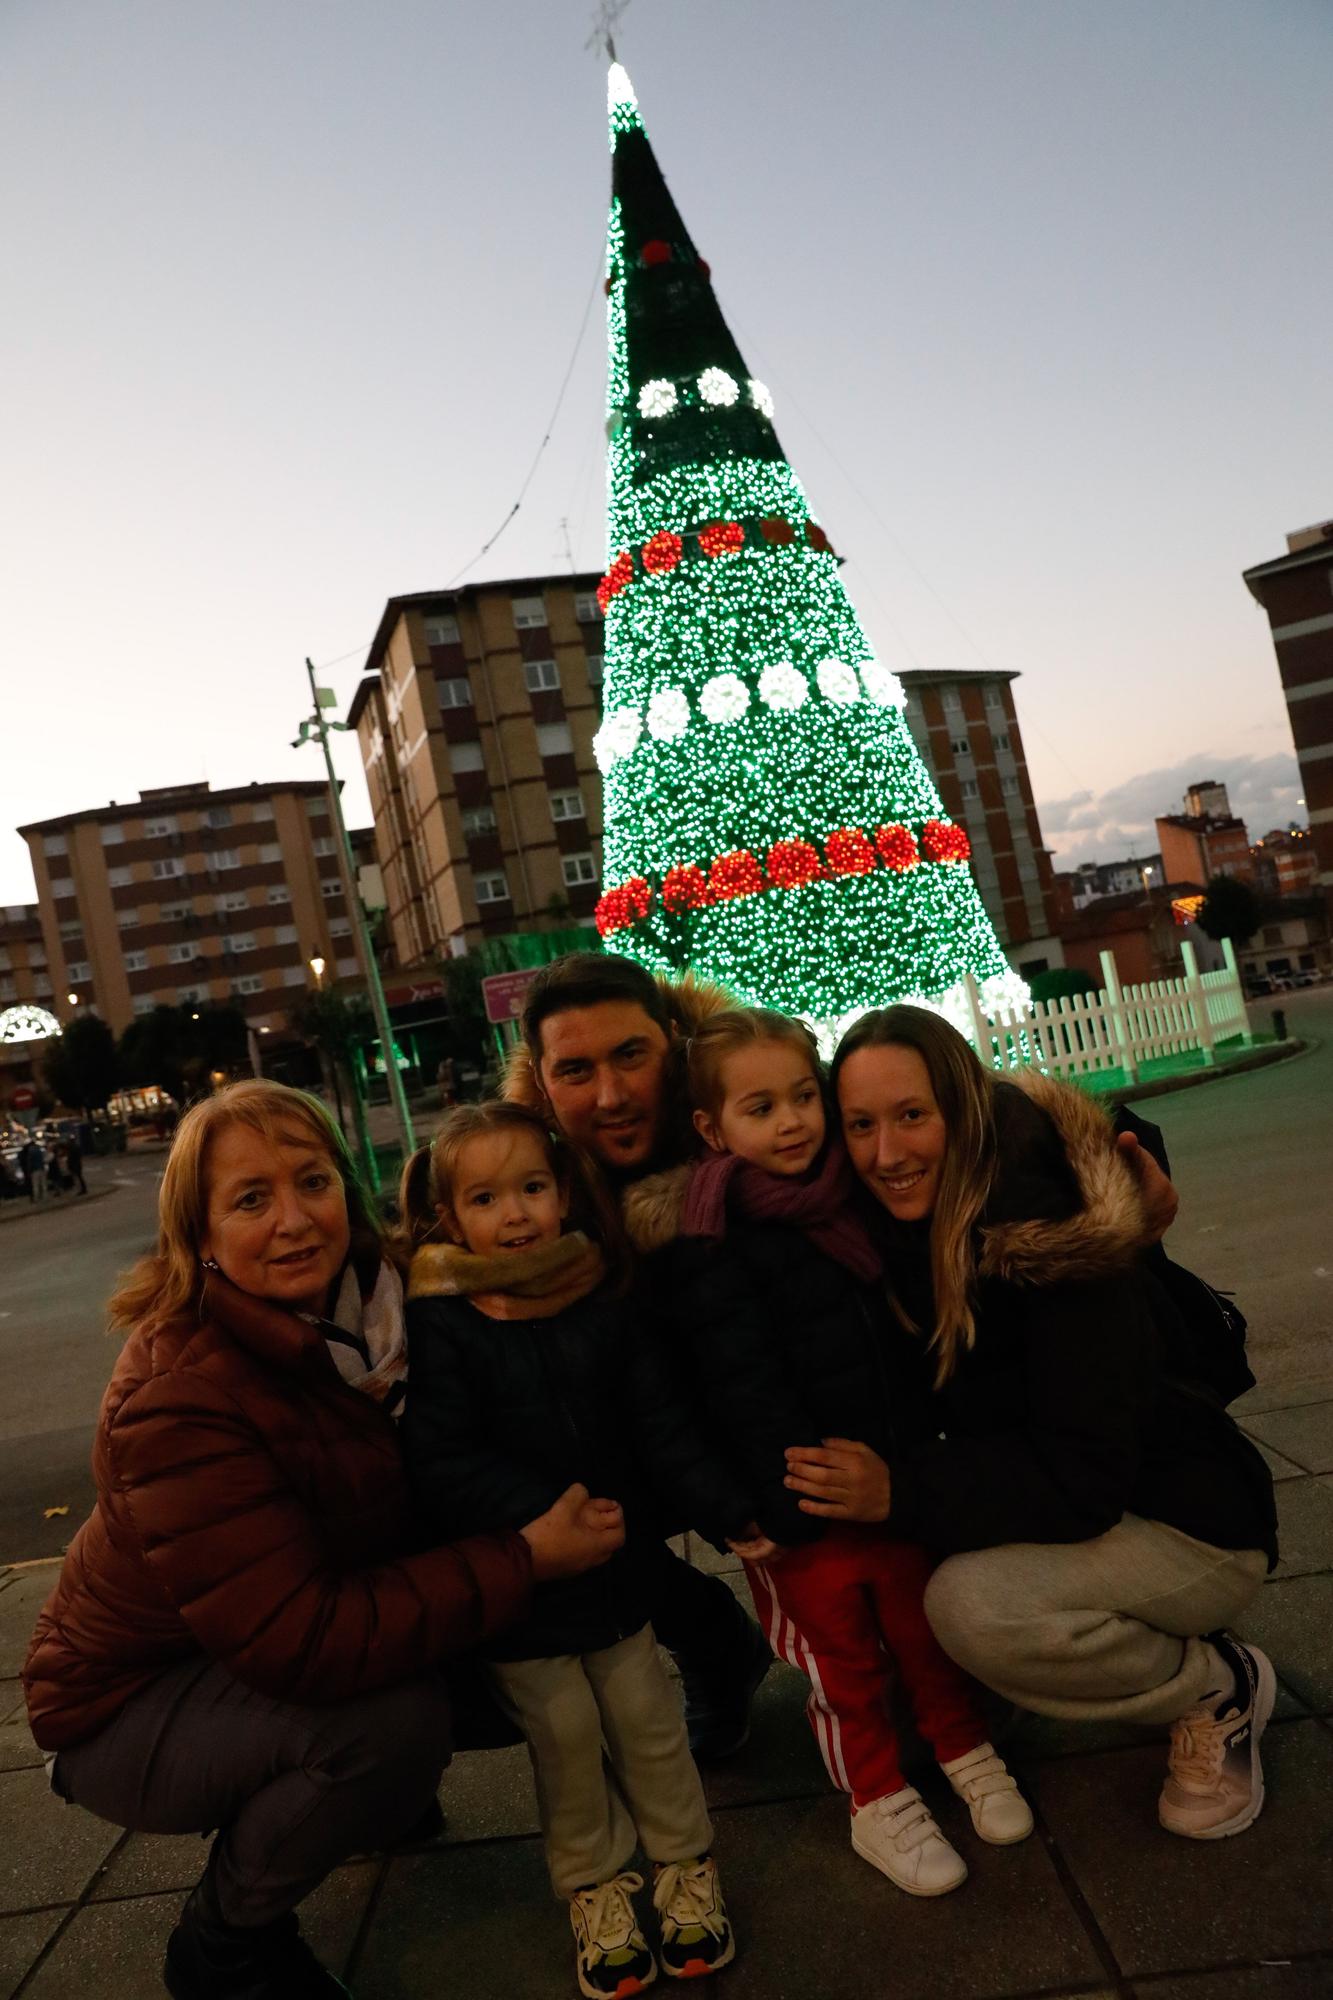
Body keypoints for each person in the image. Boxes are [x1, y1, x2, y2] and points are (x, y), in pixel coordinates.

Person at [22, 1079, 621, 2000]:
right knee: (392, 1727)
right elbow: (299, 1636)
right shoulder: (180, 1396)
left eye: (312, 1181)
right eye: (251, 1201)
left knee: (529, 1653)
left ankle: (367, 1808)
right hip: (124, 1707)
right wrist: (527, 1556)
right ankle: (226, 1942)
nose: (295, 1220)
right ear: (200, 1235)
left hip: (248, 1643)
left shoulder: (388, 1310)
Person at [783, 1006, 1278, 1842]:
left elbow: (1080, 1478)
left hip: (1187, 1524)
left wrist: (897, 1492)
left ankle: (1212, 1686)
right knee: (920, 1699)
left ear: (963, 1110)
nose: (885, 1154)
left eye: (912, 1116)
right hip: (1085, 1508)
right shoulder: (905, 1229)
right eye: (859, 1125)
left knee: (975, 1613)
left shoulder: (1044, 1238)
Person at [622, 1006, 1030, 1897]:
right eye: (760, 1107)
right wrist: (729, 1507)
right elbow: (680, 1401)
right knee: (840, 1665)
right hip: (787, 1514)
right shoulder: (698, 1246)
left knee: (922, 1636)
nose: (793, 1122)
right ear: (710, 1128)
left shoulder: (850, 1201)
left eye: (804, 1096)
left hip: (881, 1481)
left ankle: (963, 1747)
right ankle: (875, 1797)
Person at [399, 1102, 743, 1996]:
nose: (512, 1214)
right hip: (525, 1588)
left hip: (617, 1576)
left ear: (561, 1194)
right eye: (484, 1197)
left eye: (530, 1188)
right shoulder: (444, 1319)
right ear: (449, 1217)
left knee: (647, 1721)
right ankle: (592, 1885)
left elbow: (659, 1422)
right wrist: (542, 1514)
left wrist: (722, 1508)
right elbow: (440, 1454)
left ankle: (683, 1866)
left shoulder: (599, 1295)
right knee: (563, 1735)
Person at [508, 955, 776, 1761]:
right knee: (543, 1504)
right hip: (649, 1453)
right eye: (576, 1071)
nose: (612, 1095)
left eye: (631, 1056)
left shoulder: (756, 1116)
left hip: (784, 1422)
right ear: (545, 1086)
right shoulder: (533, 1191)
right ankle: (713, 1645)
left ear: (675, 1044)